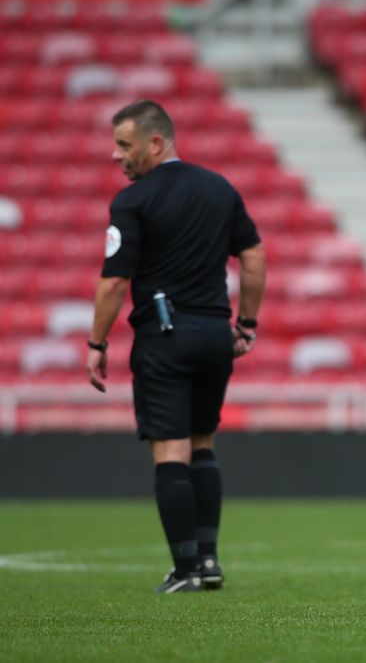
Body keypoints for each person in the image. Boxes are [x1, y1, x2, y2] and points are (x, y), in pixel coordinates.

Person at [86, 99, 266, 592]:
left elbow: (113, 283)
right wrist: (246, 325)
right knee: (203, 442)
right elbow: (252, 258)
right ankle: (208, 562)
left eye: (124, 144)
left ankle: (185, 568)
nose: (116, 155)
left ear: (156, 142)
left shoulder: (133, 201)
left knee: (171, 449)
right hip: (215, 336)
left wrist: (96, 342)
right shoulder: (219, 188)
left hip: (164, 338)